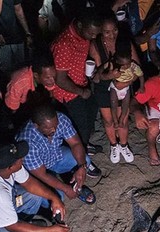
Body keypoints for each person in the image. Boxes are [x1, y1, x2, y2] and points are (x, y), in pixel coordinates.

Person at [16, 104, 102, 203]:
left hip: (56, 155)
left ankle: (75, 185)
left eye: (55, 125)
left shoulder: (60, 119)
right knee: (57, 196)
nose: (54, 129)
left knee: (85, 160)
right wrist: (65, 189)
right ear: (36, 126)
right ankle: (69, 185)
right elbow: (43, 175)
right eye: (48, 128)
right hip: (38, 171)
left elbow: (76, 143)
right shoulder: (27, 141)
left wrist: (82, 166)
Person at [89, 15, 142, 163]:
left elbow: (138, 68)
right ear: (101, 31)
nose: (112, 35)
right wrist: (110, 75)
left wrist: (127, 82)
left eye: (115, 30)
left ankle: (123, 145)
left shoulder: (125, 43)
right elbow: (96, 77)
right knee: (108, 121)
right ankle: (114, 145)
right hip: (104, 87)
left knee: (122, 119)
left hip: (123, 87)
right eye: (107, 32)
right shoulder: (96, 45)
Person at [51, 10, 103, 155]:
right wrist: (81, 92)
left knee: (91, 113)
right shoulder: (64, 44)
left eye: (95, 34)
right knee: (81, 126)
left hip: (81, 83)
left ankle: (84, 145)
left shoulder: (82, 33)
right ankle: (81, 157)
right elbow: (60, 80)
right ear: (79, 25)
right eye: (91, 33)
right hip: (67, 93)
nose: (93, 37)